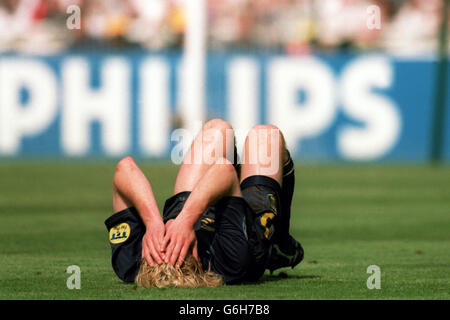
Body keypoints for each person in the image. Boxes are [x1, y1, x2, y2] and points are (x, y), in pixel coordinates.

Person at [104, 119, 304, 287]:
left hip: (193, 206)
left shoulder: (130, 263)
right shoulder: (230, 263)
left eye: (163, 245)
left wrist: (153, 223)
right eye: (175, 246)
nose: (168, 240)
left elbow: (125, 168)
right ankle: (280, 242)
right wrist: (184, 223)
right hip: (248, 230)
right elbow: (224, 171)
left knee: (217, 129)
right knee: (265, 136)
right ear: (196, 258)